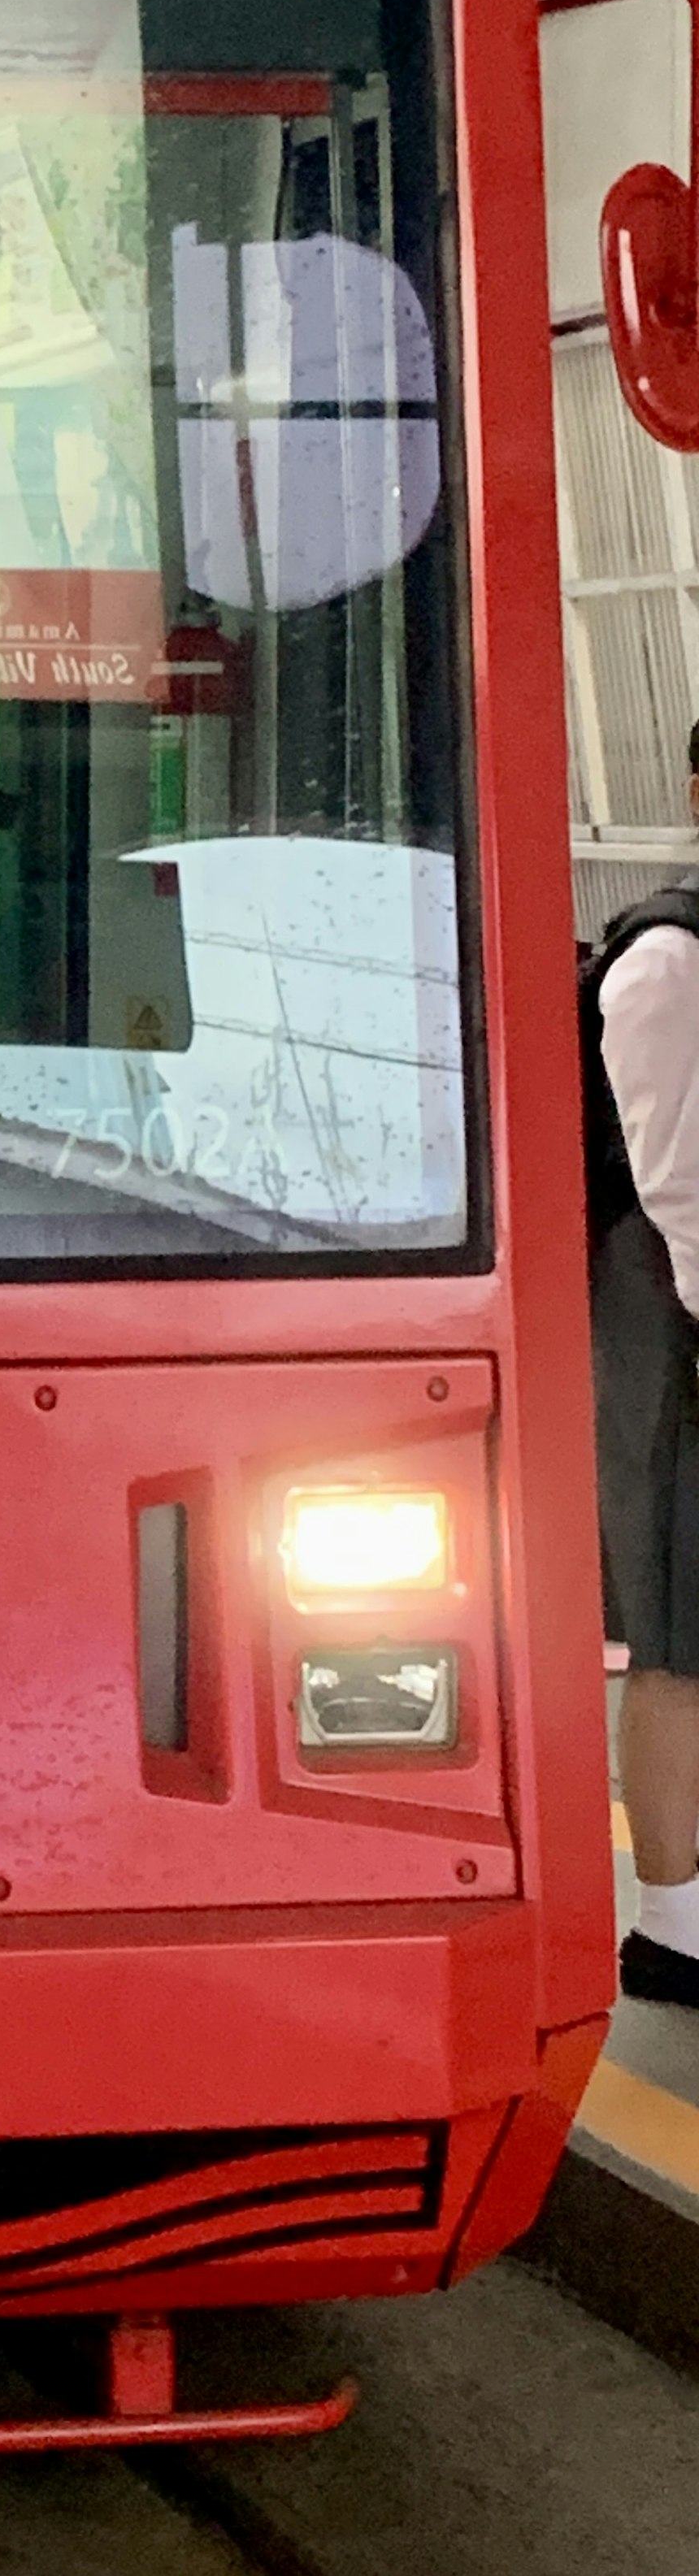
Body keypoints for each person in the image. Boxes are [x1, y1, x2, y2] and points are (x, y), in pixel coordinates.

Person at [592, 724, 699, 2006]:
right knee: (676, 1635)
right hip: (667, 1321)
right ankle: (671, 1926)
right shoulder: (665, 960)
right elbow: (679, 1186)